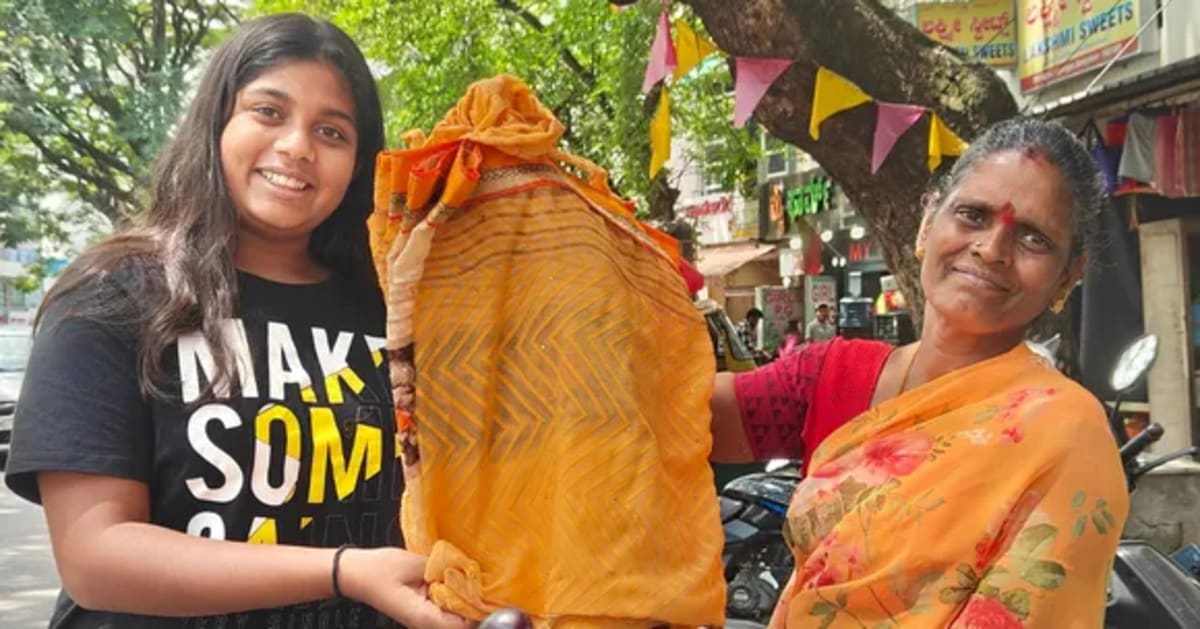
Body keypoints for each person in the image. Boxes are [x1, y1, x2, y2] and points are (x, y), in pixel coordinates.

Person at [3, 14, 465, 629]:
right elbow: (96, 556)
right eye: (269, 112)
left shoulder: (398, 310)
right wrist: (342, 570)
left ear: (359, 163)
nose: (298, 145)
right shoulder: (113, 294)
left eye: (331, 131)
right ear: (218, 121)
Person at [709, 118, 1128, 627]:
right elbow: (666, 416)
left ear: (1069, 274)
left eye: (1033, 239)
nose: (992, 249)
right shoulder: (832, 376)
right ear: (929, 222)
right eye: (973, 215)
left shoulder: (1067, 436)